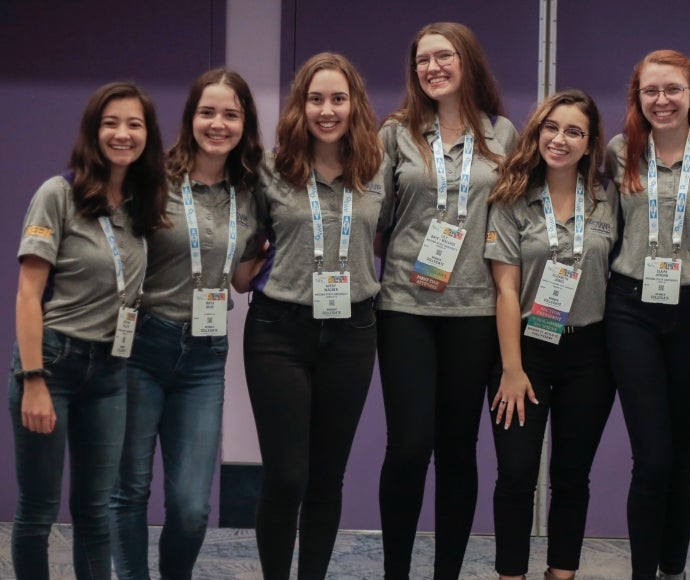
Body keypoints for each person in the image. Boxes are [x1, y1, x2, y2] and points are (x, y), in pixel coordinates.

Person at [108, 68, 264, 580]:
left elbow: (240, 279)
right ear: (190, 117)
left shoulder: (249, 191)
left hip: (204, 355)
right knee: (129, 489)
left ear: (245, 122)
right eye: (207, 112)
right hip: (142, 347)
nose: (218, 124)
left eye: (231, 114)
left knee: (193, 506)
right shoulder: (152, 177)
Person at [9, 81, 167, 579]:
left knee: (96, 512)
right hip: (52, 364)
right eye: (111, 123)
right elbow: (28, 295)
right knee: (38, 511)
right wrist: (33, 379)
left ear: (148, 135)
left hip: (110, 372)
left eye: (135, 124)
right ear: (93, 131)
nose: (123, 134)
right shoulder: (58, 194)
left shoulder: (142, 205)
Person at [377, 22, 517, 579]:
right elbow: (377, 218)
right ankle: (395, 571)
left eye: (443, 56)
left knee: (458, 451)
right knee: (409, 447)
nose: (431, 68)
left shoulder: (502, 132)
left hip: (475, 311)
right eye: (422, 60)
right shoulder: (396, 133)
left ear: (468, 62)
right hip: (405, 308)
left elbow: (512, 218)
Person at [242, 52, 386, 580]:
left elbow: (392, 234)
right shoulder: (270, 170)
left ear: (356, 106)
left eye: (339, 99)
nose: (327, 110)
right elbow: (245, 239)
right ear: (300, 107)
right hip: (279, 332)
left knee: (328, 477)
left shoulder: (377, 169)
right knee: (286, 476)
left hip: (353, 330)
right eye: (316, 99)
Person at [603, 49, 690, 580]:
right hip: (631, 310)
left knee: (680, 458)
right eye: (650, 91)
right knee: (651, 457)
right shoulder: (618, 152)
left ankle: (671, 570)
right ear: (638, 98)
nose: (662, 100)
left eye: (672, 89)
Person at [484, 90, 618, 580]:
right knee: (516, 475)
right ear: (537, 133)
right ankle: (511, 575)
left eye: (574, 131)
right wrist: (513, 369)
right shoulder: (511, 199)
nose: (560, 139)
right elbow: (506, 288)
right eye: (551, 128)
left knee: (571, 478)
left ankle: (562, 574)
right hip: (525, 349)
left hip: (590, 353)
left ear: (590, 144)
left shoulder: (609, 200)